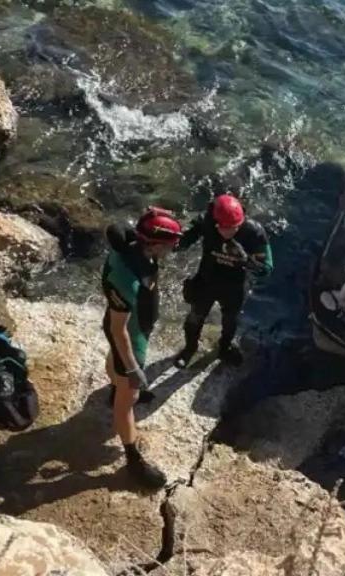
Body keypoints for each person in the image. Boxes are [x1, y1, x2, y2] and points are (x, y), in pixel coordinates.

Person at [102, 207, 182, 489]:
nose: (172, 250)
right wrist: (133, 369)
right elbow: (117, 330)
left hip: (137, 325)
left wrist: (158, 214)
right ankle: (133, 459)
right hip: (130, 334)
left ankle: (116, 385)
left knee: (121, 375)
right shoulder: (126, 278)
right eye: (170, 246)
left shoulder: (137, 247)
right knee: (128, 399)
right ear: (154, 244)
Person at [174, 193, 272, 368]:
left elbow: (267, 268)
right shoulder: (206, 221)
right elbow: (184, 240)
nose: (229, 232)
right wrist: (174, 238)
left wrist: (247, 260)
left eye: (234, 227)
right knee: (195, 316)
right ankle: (190, 348)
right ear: (215, 222)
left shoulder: (254, 231)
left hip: (235, 284)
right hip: (207, 279)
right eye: (224, 227)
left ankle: (225, 347)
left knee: (230, 320)